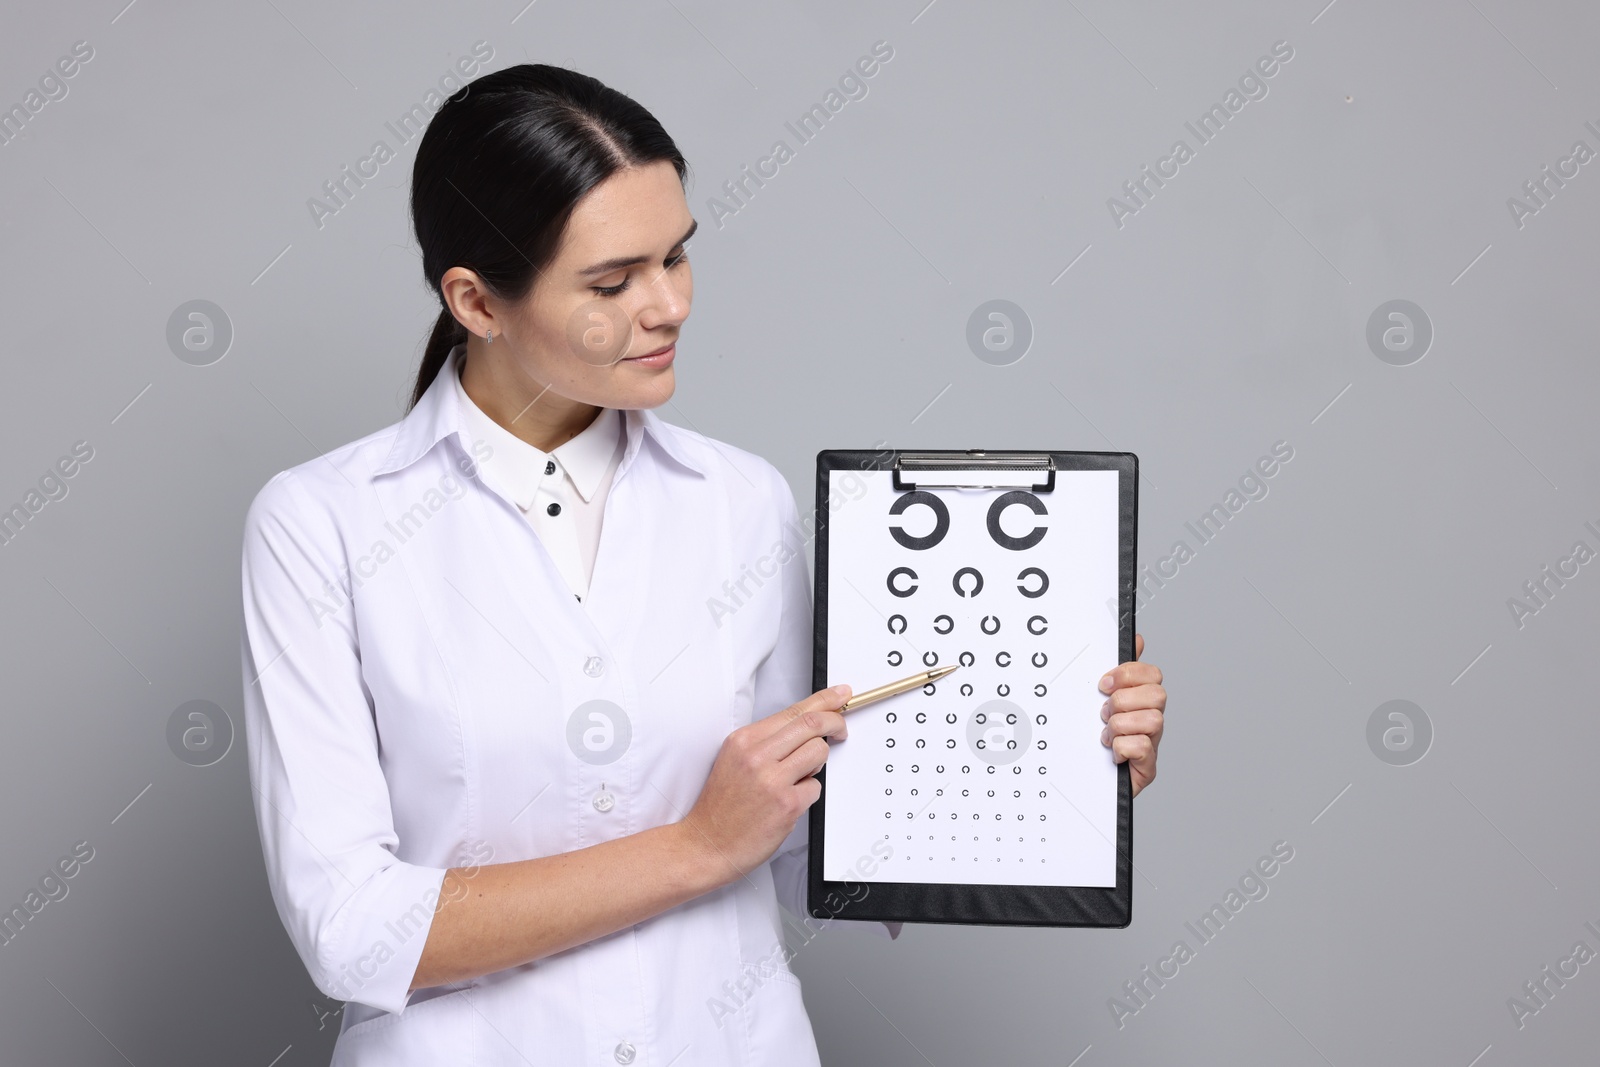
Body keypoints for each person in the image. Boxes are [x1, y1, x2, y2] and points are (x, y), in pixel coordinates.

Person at [238, 63, 1166, 1066]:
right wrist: (696, 846)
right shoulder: (322, 524)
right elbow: (354, 930)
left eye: (676, 257)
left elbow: (820, 846)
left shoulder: (741, 501)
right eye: (611, 281)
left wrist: (1056, 762)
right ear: (477, 300)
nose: (668, 304)